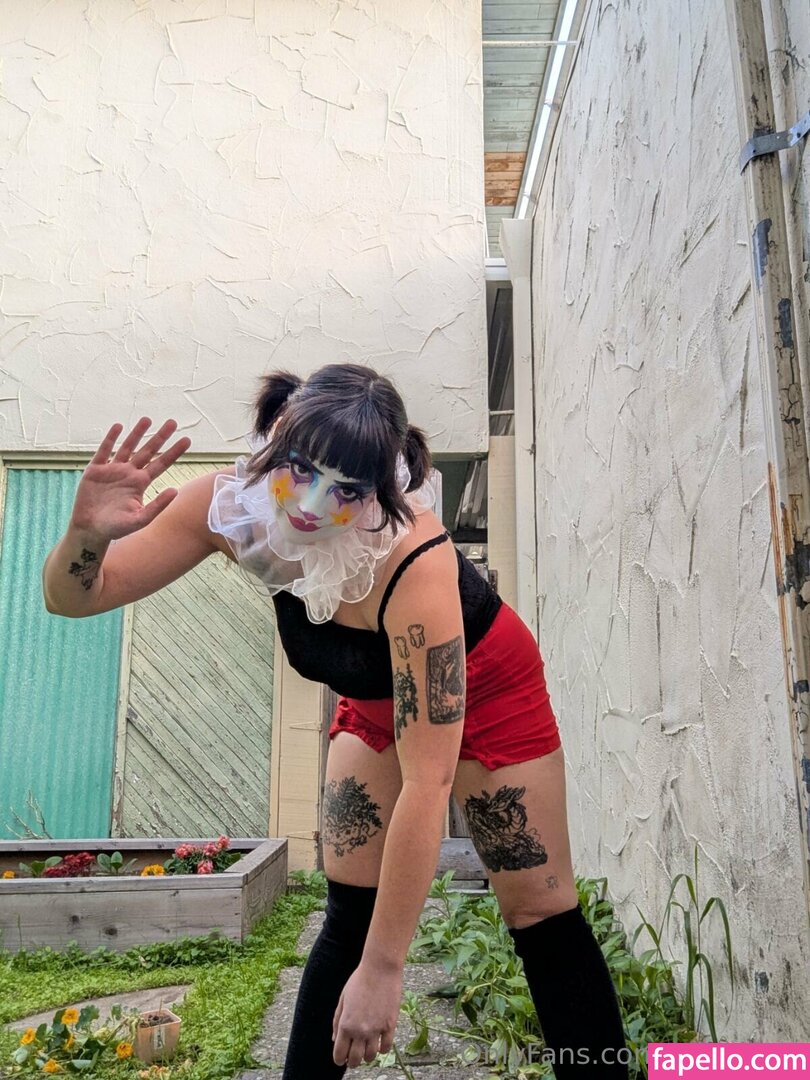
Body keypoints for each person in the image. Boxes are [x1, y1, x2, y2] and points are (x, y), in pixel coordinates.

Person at [42, 363, 629, 1078]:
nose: (314, 506)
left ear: (380, 490)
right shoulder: (226, 510)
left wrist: (386, 969)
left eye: (348, 490)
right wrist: (87, 535)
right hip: (378, 696)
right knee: (349, 907)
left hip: (489, 686)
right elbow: (75, 597)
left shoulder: (411, 556)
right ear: (275, 437)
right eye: (300, 470)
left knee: (539, 913)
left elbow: (429, 780)